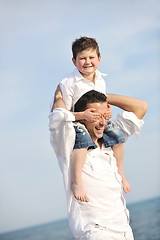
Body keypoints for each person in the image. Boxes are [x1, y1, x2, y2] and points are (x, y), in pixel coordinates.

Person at [49, 90, 147, 240]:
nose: (102, 122)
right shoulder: (68, 144)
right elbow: (59, 116)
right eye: (95, 116)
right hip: (96, 231)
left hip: (124, 229)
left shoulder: (111, 139)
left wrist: (102, 97)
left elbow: (141, 106)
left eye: (104, 116)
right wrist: (59, 97)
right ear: (83, 117)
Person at [52, 36, 130, 203]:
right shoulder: (68, 83)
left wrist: (107, 112)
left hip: (97, 120)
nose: (87, 62)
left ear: (99, 59)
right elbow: (61, 113)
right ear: (74, 61)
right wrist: (82, 116)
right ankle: (76, 181)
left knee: (117, 134)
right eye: (82, 58)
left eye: (91, 57)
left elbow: (103, 102)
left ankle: (120, 172)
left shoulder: (100, 79)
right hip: (78, 121)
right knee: (82, 139)